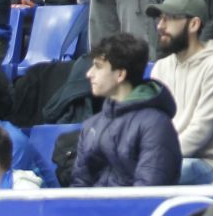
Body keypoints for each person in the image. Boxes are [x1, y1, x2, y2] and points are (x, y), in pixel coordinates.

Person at [147, 0, 213, 184]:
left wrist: (154, 160)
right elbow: (153, 124)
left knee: (154, 175)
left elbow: (199, 132)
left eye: (169, 19)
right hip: (171, 158)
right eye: (160, 19)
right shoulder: (161, 67)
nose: (160, 26)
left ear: (194, 24)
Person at [72, 32, 182, 187]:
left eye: (98, 67)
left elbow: (149, 191)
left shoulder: (155, 125)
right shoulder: (91, 126)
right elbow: (79, 187)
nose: (89, 74)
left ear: (120, 74)